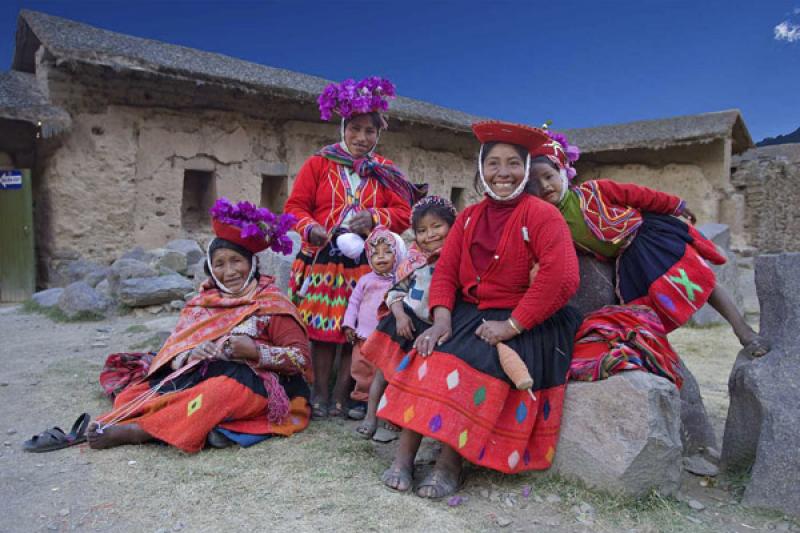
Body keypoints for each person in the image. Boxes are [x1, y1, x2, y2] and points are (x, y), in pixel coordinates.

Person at [363, 121, 582, 498]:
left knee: (473, 362)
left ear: (526, 169)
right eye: (493, 163)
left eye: (513, 163)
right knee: (427, 351)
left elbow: (561, 278)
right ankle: (404, 457)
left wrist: (512, 325)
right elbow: (446, 270)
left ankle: (450, 464)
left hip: (526, 317)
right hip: (472, 311)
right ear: (481, 169)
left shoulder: (542, 216)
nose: (503, 173)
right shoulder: (468, 218)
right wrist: (441, 319)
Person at [86, 199, 312, 452]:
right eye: (220, 264)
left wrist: (256, 352)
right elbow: (173, 350)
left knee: (215, 395)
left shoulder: (271, 304)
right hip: (201, 372)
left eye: (236, 260)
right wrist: (191, 355)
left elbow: (300, 359)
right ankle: (192, 424)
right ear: (211, 270)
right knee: (134, 393)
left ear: (252, 264)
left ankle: (139, 431)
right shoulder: (201, 304)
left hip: (255, 382)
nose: (229, 271)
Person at [526, 131, 769, 357]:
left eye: (549, 176)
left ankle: (743, 330)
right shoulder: (548, 223)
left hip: (647, 237)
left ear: (564, 172)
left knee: (696, 276)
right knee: (643, 308)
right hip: (626, 261)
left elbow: (638, 195)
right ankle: (653, 352)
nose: (545, 186)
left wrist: (674, 205)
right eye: (536, 183)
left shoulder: (594, 190)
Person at [284, 76, 425, 419]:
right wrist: (311, 227)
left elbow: (405, 214)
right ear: (343, 127)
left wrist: (375, 217)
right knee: (321, 327)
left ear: (379, 135)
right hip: (322, 259)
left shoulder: (386, 172)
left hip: (367, 261)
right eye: (356, 129)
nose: (362, 138)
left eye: (370, 132)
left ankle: (342, 395)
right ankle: (318, 392)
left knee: (358, 328)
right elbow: (294, 207)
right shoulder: (319, 164)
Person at [357, 196, 457, 440]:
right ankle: (371, 415)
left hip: (430, 329)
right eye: (422, 230)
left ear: (453, 226)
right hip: (404, 322)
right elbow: (395, 292)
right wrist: (400, 317)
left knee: (411, 378)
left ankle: (394, 418)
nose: (430, 235)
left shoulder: (457, 261)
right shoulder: (413, 261)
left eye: (437, 227)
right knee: (383, 371)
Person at [342, 226, 406, 420]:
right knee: (361, 368)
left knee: (385, 370)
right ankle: (361, 401)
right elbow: (353, 303)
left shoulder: (400, 281)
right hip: (363, 335)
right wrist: (348, 325)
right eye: (375, 253)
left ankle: (383, 402)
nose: (381, 257)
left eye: (388, 252)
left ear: (398, 254)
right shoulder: (365, 281)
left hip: (387, 338)